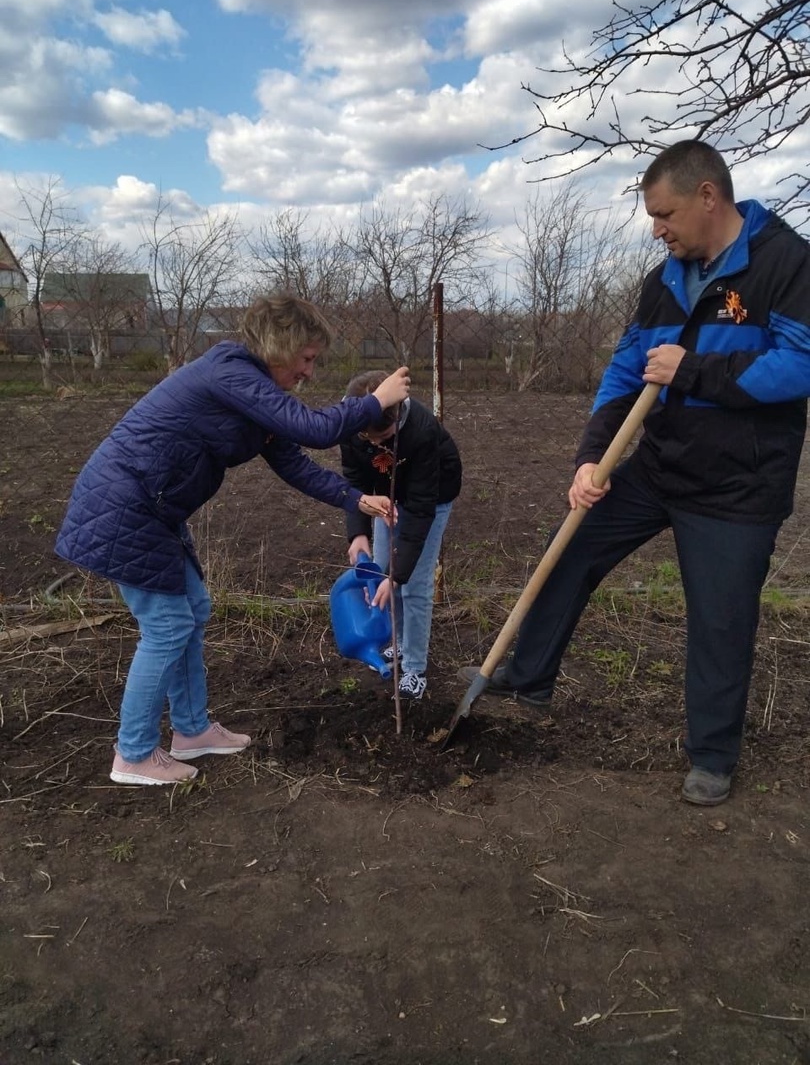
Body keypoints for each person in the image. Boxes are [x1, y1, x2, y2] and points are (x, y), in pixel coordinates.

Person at [460, 139, 810, 806]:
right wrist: (592, 456)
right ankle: (526, 678)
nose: (658, 230)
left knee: (720, 620)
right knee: (572, 549)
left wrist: (696, 371)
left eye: (664, 214)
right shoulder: (664, 281)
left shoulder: (784, 264)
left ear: (708, 196)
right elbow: (627, 371)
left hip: (739, 485)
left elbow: (801, 364)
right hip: (659, 464)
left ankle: (712, 756)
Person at [55, 295, 410, 786]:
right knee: (166, 626)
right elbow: (315, 429)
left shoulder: (253, 392)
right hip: (125, 508)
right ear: (280, 347)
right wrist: (375, 400)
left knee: (192, 611)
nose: (309, 372)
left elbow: (294, 462)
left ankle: (192, 731)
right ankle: (133, 754)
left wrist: (355, 498)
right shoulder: (231, 372)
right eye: (306, 359)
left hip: (153, 510)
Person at [340, 371, 462, 701]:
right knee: (381, 571)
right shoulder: (351, 424)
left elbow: (421, 511)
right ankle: (399, 641)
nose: (376, 444)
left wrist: (399, 574)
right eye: (369, 439)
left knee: (411, 583)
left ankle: (415, 668)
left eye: (384, 437)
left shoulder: (421, 432)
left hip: (430, 500)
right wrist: (357, 534)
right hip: (385, 497)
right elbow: (354, 482)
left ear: (399, 414)